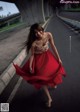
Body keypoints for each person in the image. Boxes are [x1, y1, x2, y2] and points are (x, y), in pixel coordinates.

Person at [13, 23, 66, 107]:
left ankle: (53, 83)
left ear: (42, 29)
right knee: (41, 79)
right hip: (39, 61)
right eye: (35, 32)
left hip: (48, 57)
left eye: (39, 30)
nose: (38, 33)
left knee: (54, 71)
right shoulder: (34, 44)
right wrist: (30, 66)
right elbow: (32, 55)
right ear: (33, 34)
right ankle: (49, 99)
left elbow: (53, 46)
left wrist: (58, 58)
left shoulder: (48, 34)